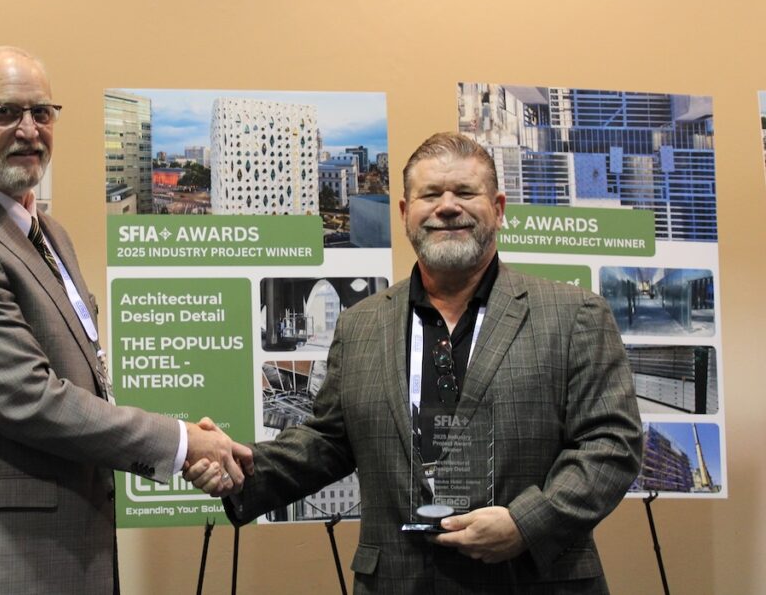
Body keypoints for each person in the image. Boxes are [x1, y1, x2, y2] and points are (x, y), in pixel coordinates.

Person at [187, 132, 642, 593]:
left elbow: (611, 443)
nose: (447, 206)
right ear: (406, 214)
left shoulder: (573, 314)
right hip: (399, 580)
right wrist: (241, 467)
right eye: (430, 194)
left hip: (533, 579)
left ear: (499, 209)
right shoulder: (361, 325)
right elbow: (329, 440)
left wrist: (526, 524)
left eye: (465, 192)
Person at [0, 46, 251, 595]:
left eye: (42, 113)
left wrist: (188, 446)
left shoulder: (50, 234)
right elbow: (29, 399)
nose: (29, 130)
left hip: (60, 553)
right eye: (7, 113)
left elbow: (84, 376)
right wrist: (180, 445)